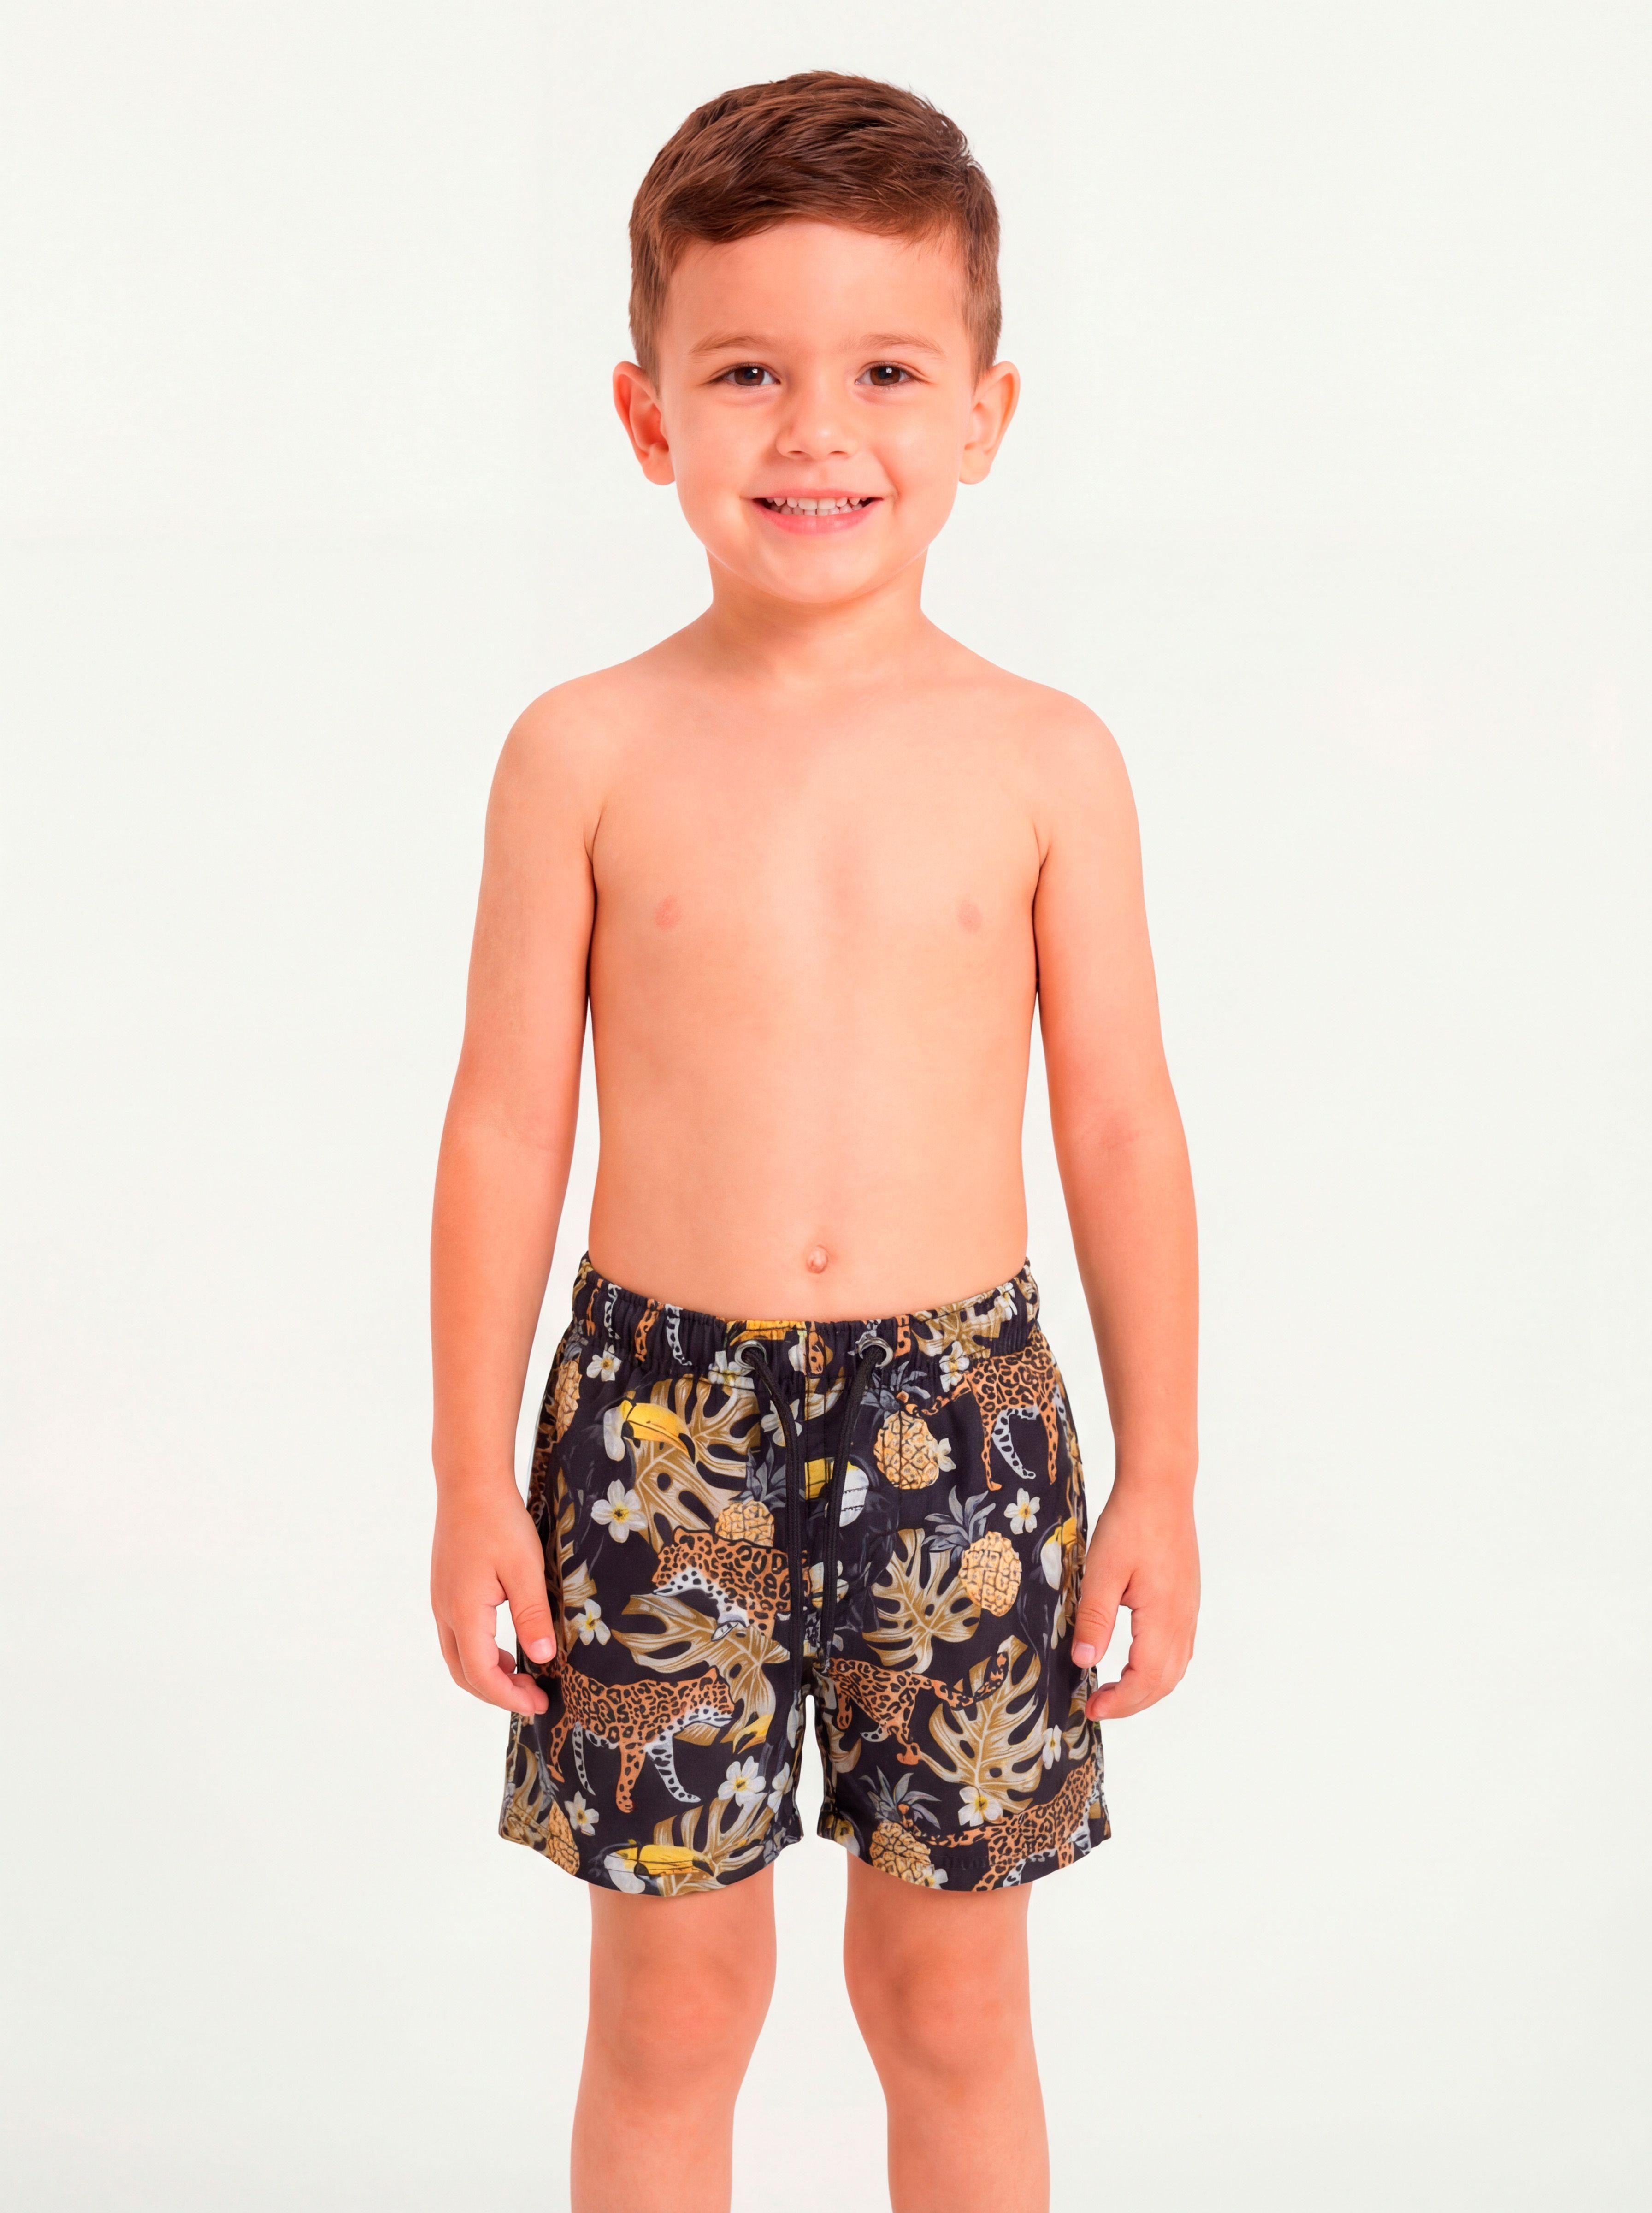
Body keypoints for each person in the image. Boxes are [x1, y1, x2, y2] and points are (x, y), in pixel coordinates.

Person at [429, 70, 1200, 2213]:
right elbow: (502, 1123)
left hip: (961, 1425)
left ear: (984, 414)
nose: (814, 432)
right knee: (672, 2013)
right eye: (747, 372)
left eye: (883, 372)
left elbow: (1119, 1122)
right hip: (650, 1430)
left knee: (946, 2006)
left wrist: (1160, 1475)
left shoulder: (1045, 759)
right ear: (645, 414)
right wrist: (468, 1475)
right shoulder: (581, 751)